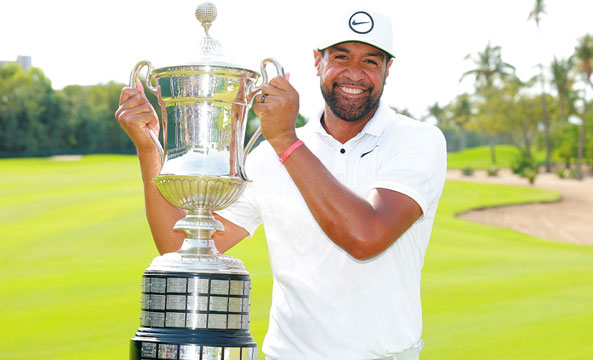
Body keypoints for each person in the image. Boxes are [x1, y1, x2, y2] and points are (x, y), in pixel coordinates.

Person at [116, 6, 446, 360]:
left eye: (370, 61)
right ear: (317, 61)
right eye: (340, 56)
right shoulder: (268, 154)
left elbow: (366, 237)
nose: (354, 73)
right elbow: (175, 244)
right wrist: (148, 147)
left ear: (387, 69)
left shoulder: (416, 140)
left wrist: (286, 141)